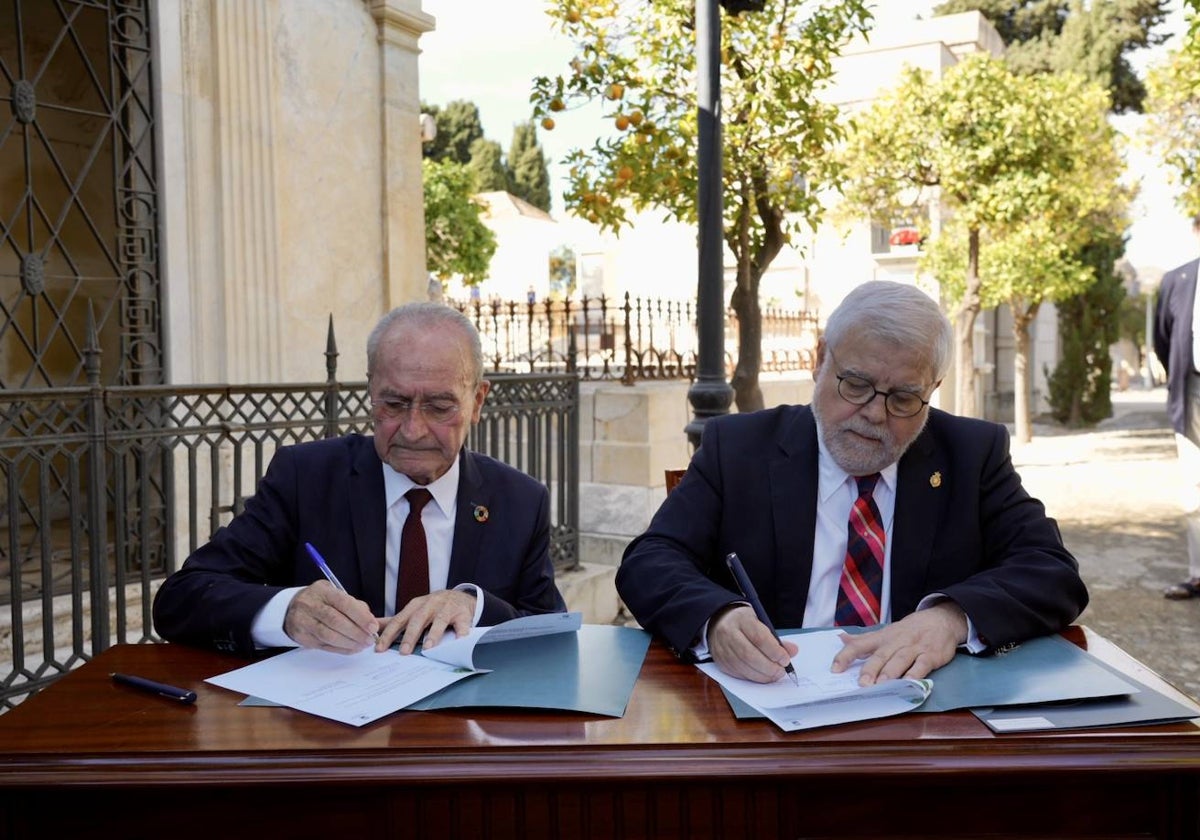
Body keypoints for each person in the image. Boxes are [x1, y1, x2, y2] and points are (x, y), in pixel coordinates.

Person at [616, 280, 1088, 686]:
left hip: (921, 713)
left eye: (904, 397)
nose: (875, 413)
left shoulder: (971, 453)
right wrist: (716, 617)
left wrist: (950, 619)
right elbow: (649, 561)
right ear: (820, 360)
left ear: (933, 389)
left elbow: (1052, 571)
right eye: (856, 385)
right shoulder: (739, 447)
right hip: (774, 707)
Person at [153, 302, 566, 657]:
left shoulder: (519, 500)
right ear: (371, 390)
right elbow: (180, 598)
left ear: (477, 401)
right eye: (394, 403)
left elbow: (554, 635)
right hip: (333, 733)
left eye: (440, 407)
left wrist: (473, 607)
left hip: (459, 736)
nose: (413, 429)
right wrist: (287, 610)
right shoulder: (306, 478)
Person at [1154, 213, 1200, 600]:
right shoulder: (1177, 281)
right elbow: (1163, 341)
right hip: (1193, 393)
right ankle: (1198, 574)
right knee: (1196, 489)